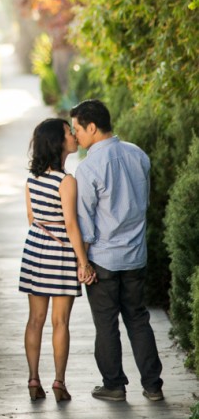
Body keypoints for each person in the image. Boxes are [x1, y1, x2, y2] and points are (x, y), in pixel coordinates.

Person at [69, 98, 164, 403]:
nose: (75, 137)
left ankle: (114, 386)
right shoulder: (138, 155)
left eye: (77, 130)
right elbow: (143, 203)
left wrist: (82, 263)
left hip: (103, 261)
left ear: (92, 127)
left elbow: (84, 223)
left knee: (106, 324)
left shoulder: (89, 168)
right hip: (135, 256)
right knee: (138, 319)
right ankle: (153, 386)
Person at [19, 117, 95, 403]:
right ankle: (59, 383)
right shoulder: (66, 181)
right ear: (58, 142)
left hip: (35, 249)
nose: (74, 136)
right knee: (60, 322)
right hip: (61, 253)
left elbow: (31, 219)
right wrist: (84, 262)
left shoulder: (31, 179)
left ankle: (33, 379)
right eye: (68, 132)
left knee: (35, 320)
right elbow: (72, 225)